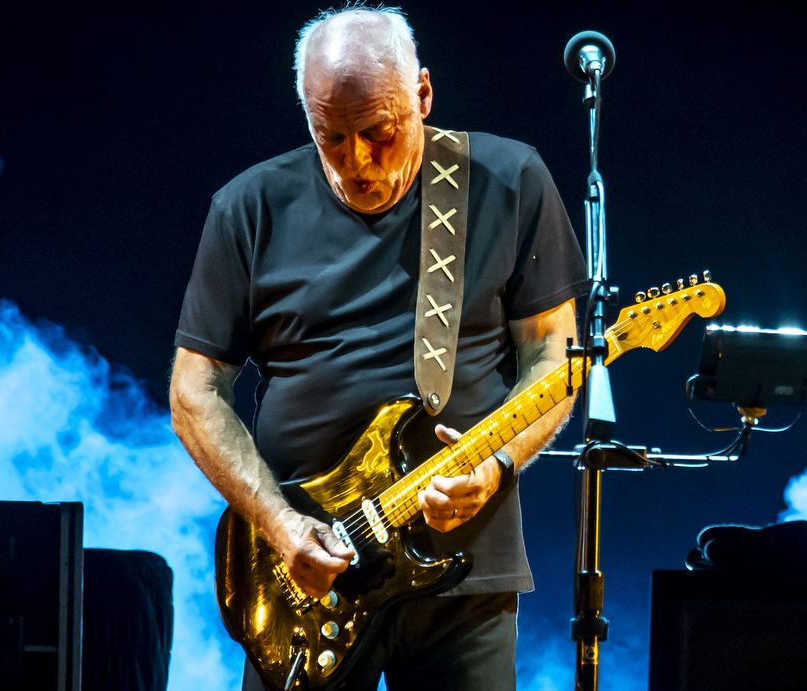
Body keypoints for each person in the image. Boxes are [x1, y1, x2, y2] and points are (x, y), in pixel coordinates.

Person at [169, 6, 586, 689]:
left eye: (379, 132)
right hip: (305, 580)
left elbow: (555, 357)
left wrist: (499, 467)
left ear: (422, 94)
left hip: (462, 573)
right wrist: (279, 524)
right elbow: (193, 392)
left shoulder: (509, 180)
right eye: (329, 135)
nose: (356, 162)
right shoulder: (248, 207)